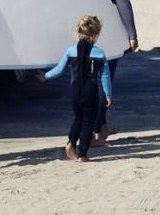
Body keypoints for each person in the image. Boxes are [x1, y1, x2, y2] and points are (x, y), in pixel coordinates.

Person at [72, 0, 138, 144]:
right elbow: (123, 3)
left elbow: (72, 0)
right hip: (106, 35)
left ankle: (100, 126)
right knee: (104, 81)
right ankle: (97, 132)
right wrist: (132, 33)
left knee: (87, 80)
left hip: (84, 34)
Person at [42, 15, 113, 162]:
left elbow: (59, 69)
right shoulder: (99, 54)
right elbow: (105, 76)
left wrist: (45, 76)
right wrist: (108, 95)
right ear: (95, 34)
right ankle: (82, 155)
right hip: (90, 90)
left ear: (78, 31)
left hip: (75, 90)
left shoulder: (70, 51)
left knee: (78, 118)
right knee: (88, 122)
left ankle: (71, 142)